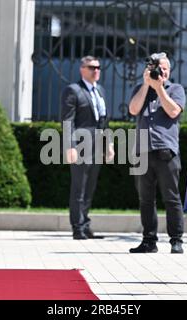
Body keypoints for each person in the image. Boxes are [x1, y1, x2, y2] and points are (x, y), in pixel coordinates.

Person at [128, 52, 186, 254]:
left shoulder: (175, 89)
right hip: (143, 151)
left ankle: (176, 240)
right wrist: (146, 85)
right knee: (145, 199)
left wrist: (159, 87)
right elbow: (134, 110)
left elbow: (173, 111)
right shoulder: (140, 89)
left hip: (166, 151)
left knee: (171, 198)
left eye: (163, 69)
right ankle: (149, 240)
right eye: (156, 68)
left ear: (168, 71)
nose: (159, 72)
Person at [61, 55, 114, 240]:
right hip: (81, 145)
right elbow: (68, 120)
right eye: (92, 67)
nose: (96, 70)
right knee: (79, 188)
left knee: (90, 188)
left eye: (98, 67)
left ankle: (85, 224)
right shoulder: (73, 90)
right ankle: (77, 227)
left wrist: (109, 144)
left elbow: (104, 120)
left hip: (97, 146)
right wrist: (70, 146)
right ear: (82, 69)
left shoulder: (100, 90)